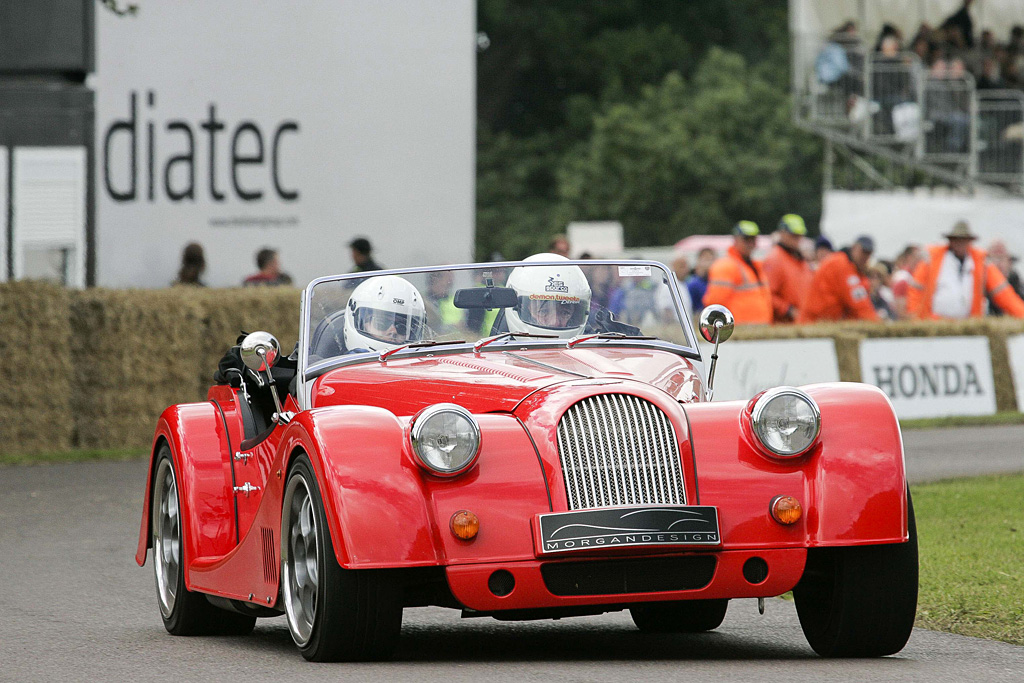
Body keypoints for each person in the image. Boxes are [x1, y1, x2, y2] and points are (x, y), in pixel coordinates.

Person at [908, 221, 1024, 319]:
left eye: (963, 240)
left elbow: (1003, 294)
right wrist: (915, 318)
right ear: (950, 241)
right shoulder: (931, 259)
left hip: (968, 324)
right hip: (934, 322)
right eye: (957, 240)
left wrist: (1022, 315)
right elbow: (915, 292)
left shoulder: (981, 262)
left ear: (969, 241)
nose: (960, 243)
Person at [505, 253, 591, 338]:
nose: (554, 322)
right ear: (520, 308)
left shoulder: (592, 346)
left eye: (565, 313)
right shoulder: (497, 347)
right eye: (543, 311)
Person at [703, 221, 772, 325]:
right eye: (746, 239)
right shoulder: (725, 266)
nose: (751, 243)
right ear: (736, 240)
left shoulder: (755, 266)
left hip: (758, 329)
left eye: (753, 240)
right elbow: (715, 304)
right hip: (738, 330)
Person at [798, 235, 879, 322]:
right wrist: (877, 324)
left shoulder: (847, 265)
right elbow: (860, 305)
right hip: (814, 323)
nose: (865, 257)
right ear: (854, 248)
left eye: (868, 253)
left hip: (821, 322)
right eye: (863, 251)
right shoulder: (841, 265)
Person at [342, 275, 426, 352]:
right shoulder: (343, 367)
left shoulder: (422, 365)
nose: (393, 331)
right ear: (358, 321)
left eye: (402, 327)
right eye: (382, 323)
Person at [763, 214, 813, 323]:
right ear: (782, 233)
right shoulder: (774, 259)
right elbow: (767, 294)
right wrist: (788, 310)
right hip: (783, 325)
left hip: (802, 322)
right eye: (793, 235)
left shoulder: (801, 260)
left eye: (799, 235)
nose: (797, 239)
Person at [656, 253, 693, 323]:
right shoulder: (667, 286)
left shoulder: (682, 284)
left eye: (686, 266)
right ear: (673, 267)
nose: (685, 270)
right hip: (676, 328)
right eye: (682, 266)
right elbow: (666, 312)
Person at [686, 247, 715, 312]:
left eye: (712, 259)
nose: (710, 263)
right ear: (699, 261)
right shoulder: (693, 284)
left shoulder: (716, 282)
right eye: (707, 259)